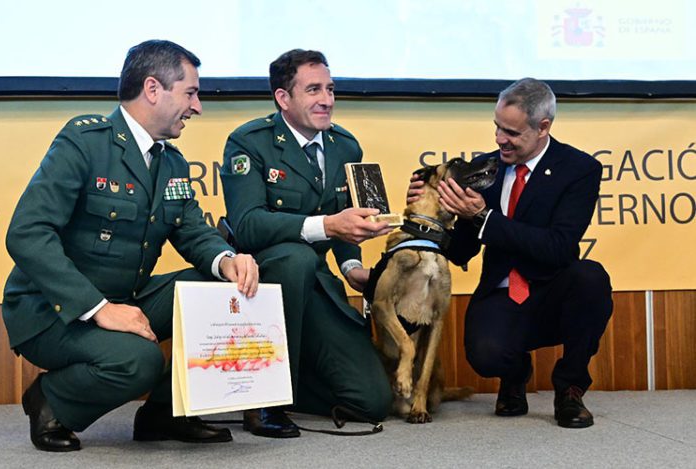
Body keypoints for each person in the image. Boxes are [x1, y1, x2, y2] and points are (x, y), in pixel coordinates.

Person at [2, 40, 259, 452]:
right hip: (51, 310)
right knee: (140, 361)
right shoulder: (85, 142)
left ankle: (164, 414)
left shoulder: (170, 161)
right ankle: (51, 400)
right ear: (154, 89)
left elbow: (191, 229)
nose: (198, 107)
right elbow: (27, 234)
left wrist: (227, 260)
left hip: (125, 298)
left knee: (223, 290)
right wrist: (100, 309)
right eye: (191, 93)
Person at [409, 78, 613, 428]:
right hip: (502, 291)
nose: (500, 139)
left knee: (591, 277)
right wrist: (431, 212)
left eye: (512, 132)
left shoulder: (578, 169)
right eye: (497, 128)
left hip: (554, 289)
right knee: (485, 355)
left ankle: (570, 390)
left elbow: (558, 246)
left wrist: (484, 218)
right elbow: (461, 252)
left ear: (543, 127)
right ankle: (515, 374)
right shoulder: (485, 167)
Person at [220, 49, 393, 438]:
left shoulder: (344, 146)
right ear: (284, 98)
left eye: (330, 89)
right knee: (295, 258)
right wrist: (327, 226)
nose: (327, 100)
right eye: (313, 89)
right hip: (266, 280)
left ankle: (288, 385)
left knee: (372, 402)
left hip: (315, 281)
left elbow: (348, 220)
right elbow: (247, 225)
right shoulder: (250, 142)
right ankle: (265, 399)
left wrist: (352, 269)